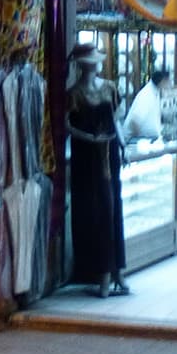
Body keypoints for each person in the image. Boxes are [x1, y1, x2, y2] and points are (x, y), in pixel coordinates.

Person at [65, 41, 130, 298]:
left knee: (114, 208)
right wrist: (88, 138)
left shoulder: (109, 87)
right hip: (87, 157)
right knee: (97, 211)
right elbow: (67, 126)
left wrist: (123, 145)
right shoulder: (75, 93)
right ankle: (102, 272)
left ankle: (118, 270)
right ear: (84, 65)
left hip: (109, 152)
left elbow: (116, 120)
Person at [121, 66, 171, 144]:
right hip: (137, 140)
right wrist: (143, 142)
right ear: (162, 81)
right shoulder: (147, 95)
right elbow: (134, 121)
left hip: (147, 138)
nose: (170, 83)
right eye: (168, 81)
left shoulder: (155, 91)